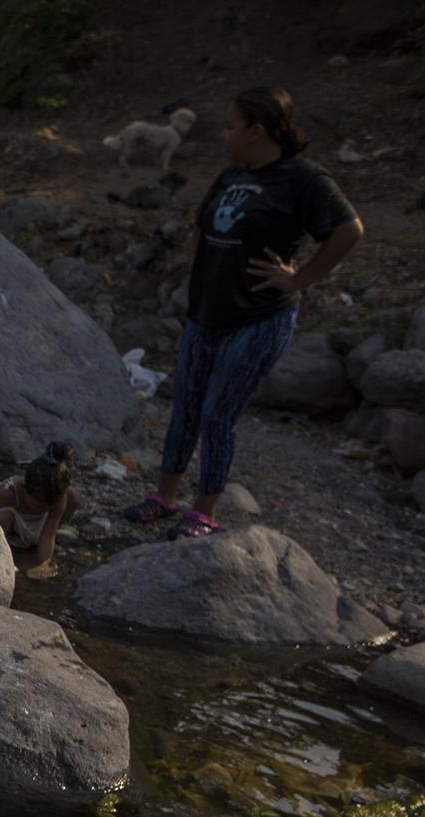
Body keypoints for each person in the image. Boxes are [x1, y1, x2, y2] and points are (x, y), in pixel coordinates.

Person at [121, 86, 364, 540]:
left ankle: (205, 511)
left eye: (231, 127)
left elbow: (349, 230)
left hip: (260, 316)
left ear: (258, 131)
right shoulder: (231, 176)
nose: (224, 136)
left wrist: (299, 277)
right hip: (207, 314)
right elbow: (205, 231)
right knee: (186, 408)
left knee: (217, 413)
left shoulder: (303, 180)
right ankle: (164, 498)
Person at [0, 443, 79, 578]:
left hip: (37, 525)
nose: (43, 507)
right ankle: (0, 553)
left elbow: (48, 536)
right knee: (3, 516)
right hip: (10, 523)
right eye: (38, 503)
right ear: (25, 488)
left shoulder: (58, 498)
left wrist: (43, 565)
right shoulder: (11, 492)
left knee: (74, 498)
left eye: (48, 505)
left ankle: (31, 543)